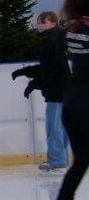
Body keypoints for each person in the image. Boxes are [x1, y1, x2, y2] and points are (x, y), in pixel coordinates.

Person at [12, 11, 71, 172]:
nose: (39, 25)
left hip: (57, 91)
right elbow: (47, 67)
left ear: (52, 23)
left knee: (54, 127)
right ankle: (60, 159)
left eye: (43, 22)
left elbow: (48, 71)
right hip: (62, 90)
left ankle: (58, 162)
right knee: (60, 127)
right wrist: (24, 71)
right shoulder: (55, 41)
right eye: (39, 22)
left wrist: (32, 85)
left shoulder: (52, 42)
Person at [51, 0, 89, 200]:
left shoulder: (73, 32)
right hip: (85, 107)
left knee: (82, 161)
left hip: (73, 107)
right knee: (82, 161)